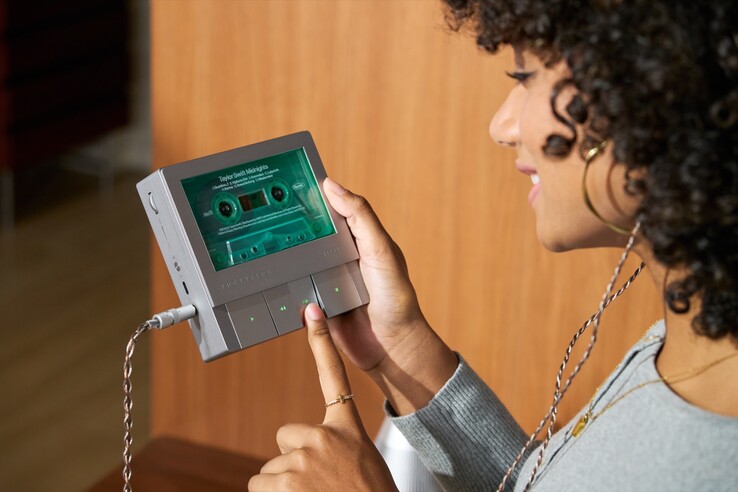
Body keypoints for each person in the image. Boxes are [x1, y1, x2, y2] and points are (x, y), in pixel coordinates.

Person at [248, 1, 738, 490]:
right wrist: (401, 345)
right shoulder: (689, 339)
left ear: (652, 87)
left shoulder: (716, 446)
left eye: (525, 77)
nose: (502, 126)